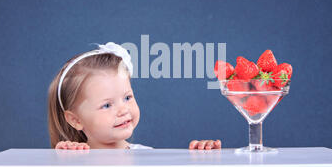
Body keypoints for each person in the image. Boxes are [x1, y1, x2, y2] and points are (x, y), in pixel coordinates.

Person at [47, 42, 222, 150]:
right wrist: (65, 157)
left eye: (127, 98)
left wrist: (201, 156)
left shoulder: (146, 156)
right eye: (107, 105)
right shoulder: (74, 157)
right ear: (75, 120)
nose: (123, 110)